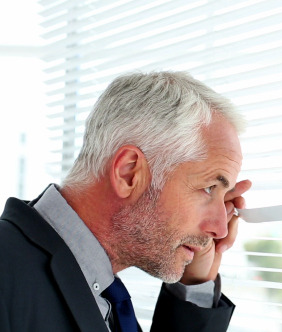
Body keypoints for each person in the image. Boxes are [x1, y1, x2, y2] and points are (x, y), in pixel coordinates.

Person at [0, 71, 252, 332]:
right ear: (129, 173)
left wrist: (196, 285)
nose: (221, 228)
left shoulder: (102, 291)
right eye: (209, 188)